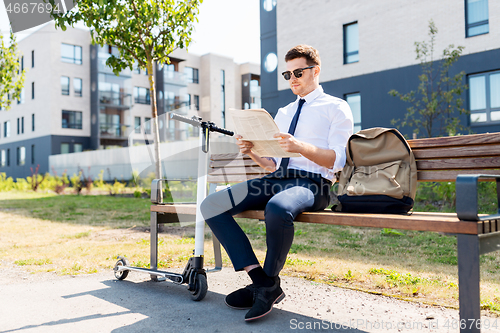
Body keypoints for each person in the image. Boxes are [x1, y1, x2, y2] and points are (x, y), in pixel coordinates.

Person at [200, 44, 353, 321]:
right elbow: (273, 164)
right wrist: (253, 152)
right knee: (212, 205)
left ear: (315, 71)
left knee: (278, 208)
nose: (293, 78)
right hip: (275, 179)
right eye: (288, 74)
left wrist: (300, 147)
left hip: (313, 184)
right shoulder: (282, 113)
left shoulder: (336, 107)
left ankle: (267, 283)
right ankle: (263, 283)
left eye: (298, 72)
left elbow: (337, 161)